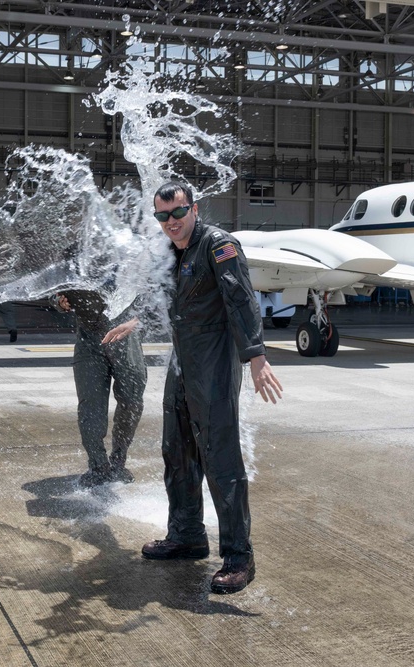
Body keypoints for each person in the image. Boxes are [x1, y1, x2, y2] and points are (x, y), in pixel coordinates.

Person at [142, 181, 283, 595]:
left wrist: (256, 356)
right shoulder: (173, 251)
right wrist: (136, 320)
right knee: (178, 450)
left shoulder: (218, 245)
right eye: (162, 216)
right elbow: (166, 299)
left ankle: (239, 557)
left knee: (221, 459)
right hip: (183, 361)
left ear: (194, 209)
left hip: (215, 364)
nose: (171, 222)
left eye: (177, 213)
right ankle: (187, 535)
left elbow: (241, 301)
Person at [53, 289, 147, 486]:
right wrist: (59, 302)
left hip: (125, 339)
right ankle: (98, 466)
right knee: (91, 406)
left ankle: (118, 461)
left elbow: (156, 289)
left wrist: (137, 319)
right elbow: (53, 286)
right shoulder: (81, 260)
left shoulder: (134, 259)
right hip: (89, 342)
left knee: (132, 402)